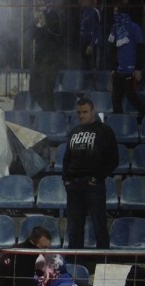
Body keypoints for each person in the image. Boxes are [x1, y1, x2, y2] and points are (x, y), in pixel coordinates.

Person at [63, 98, 119, 250]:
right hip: (74, 186)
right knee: (74, 229)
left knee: (99, 226)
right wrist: (66, 180)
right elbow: (66, 158)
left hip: (93, 185)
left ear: (92, 111)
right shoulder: (74, 132)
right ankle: (75, 264)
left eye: (85, 112)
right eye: (79, 112)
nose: (81, 115)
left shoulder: (105, 131)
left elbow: (113, 160)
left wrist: (97, 177)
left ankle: (102, 265)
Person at [109, 5, 145, 118]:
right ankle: (118, 124)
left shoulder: (135, 28)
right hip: (119, 70)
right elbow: (112, 49)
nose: (115, 14)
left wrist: (138, 68)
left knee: (131, 96)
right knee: (116, 98)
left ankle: (143, 117)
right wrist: (113, 68)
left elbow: (140, 49)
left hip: (132, 69)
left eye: (116, 12)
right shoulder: (115, 28)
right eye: (114, 12)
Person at [29, 0, 64, 111]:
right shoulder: (38, 14)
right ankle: (48, 111)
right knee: (33, 89)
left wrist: (45, 26)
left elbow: (57, 36)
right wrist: (34, 25)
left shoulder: (53, 13)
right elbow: (32, 36)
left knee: (46, 90)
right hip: (39, 58)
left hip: (50, 59)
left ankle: (50, 115)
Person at [80, 0, 102, 70]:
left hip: (91, 45)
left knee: (92, 69)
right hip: (84, 44)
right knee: (84, 67)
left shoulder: (94, 12)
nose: (80, 1)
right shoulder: (85, 12)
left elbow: (97, 30)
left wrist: (92, 45)